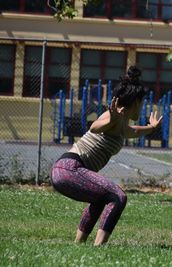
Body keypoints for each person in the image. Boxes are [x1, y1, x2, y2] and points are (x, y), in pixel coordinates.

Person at [50, 66, 162, 246]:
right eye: (141, 103)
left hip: (64, 170)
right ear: (134, 102)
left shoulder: (122, 123)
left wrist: (151, 128)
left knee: (100, 198)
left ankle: (79, 244)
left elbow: (131, 131)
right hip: (69, 168)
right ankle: (99, 247)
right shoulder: (112, 117)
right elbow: (94, 127)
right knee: (118, 196)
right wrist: (110, 119)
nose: (142, 108)